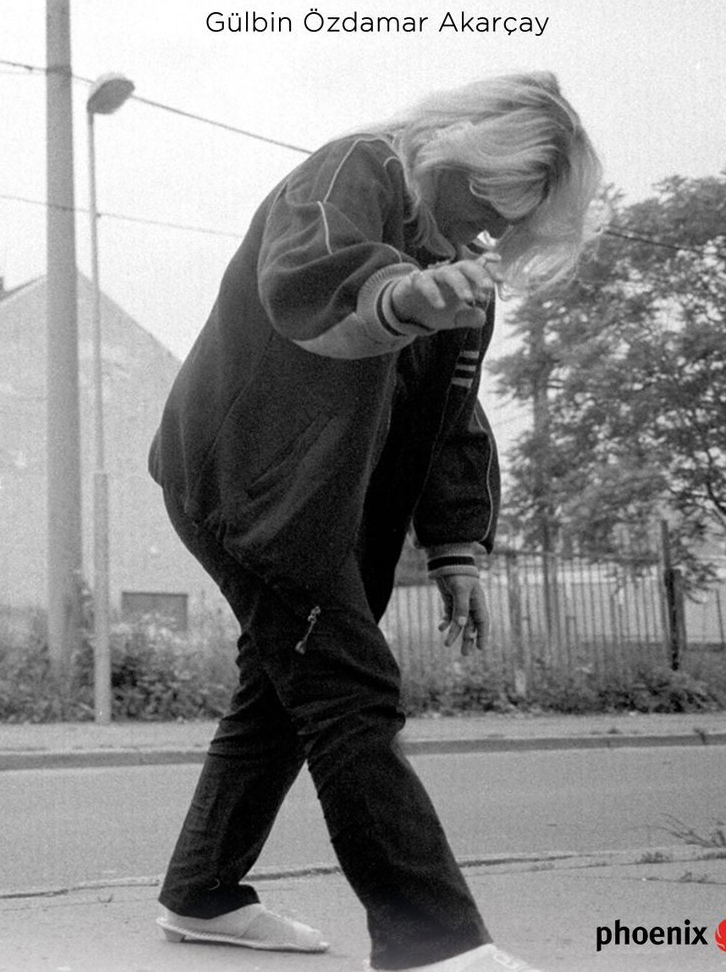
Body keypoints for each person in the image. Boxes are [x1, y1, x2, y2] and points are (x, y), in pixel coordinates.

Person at [148, 71, 602, 972]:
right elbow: (309, 278)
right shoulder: (352, 169)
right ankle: (430, 942)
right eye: (488, 202)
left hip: (321, 504)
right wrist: (402, 297)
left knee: (282, 689)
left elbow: (452, 416)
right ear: (454, 152)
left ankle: (202, 893)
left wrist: (457, 547)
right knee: (352, 690)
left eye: (513, 224)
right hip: (243, 482)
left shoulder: (463, 279)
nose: (491, 233)